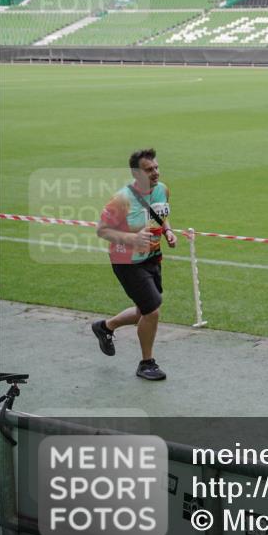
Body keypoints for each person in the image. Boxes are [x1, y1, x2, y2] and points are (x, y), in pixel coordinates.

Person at [91, 148, 176, 381]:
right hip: (126, 261)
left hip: (152, 257)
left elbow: (161, 215)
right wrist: (132, 238)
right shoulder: (121, 199)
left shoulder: (162, 190)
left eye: (156, 167)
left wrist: (168, 232)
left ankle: (105, 327)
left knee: (143, 311)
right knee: (152, 310)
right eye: (149, 170)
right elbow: (102, 230)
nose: (155, 172)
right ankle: (146, 363)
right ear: (136, 174)